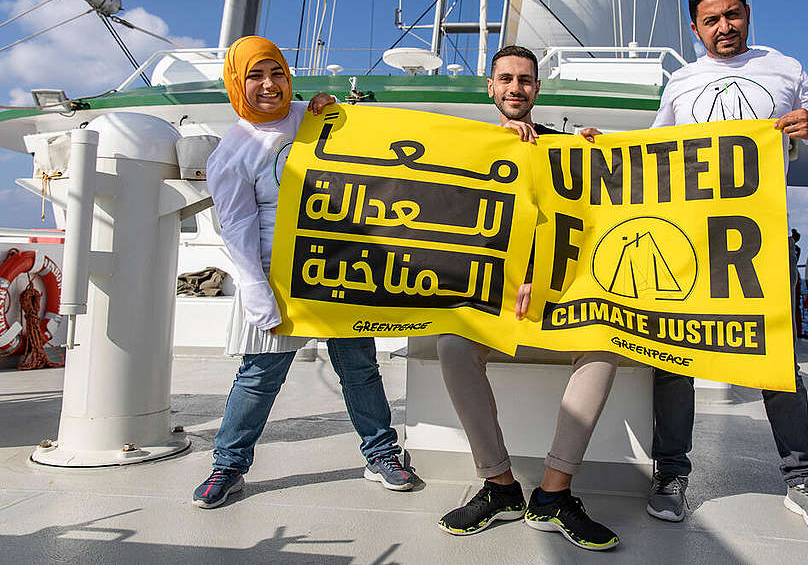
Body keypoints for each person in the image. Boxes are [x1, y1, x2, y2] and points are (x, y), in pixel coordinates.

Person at [646, 0, 808, 537]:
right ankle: (670, 473)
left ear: (747, 14)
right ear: (695, 28)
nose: (723, 28)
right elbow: (653, 155)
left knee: (777, 361)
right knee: (673, 359)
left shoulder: (786, 69)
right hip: (689, 237)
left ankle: (802, 481)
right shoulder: (680, 82)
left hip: (760, 238)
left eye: (732, 15)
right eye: (711, 21)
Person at [192, 36, 419, 508]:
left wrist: (334, 111)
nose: (269, 85)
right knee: (259, 375)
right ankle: (228, 466)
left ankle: (381, 453)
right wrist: (256, 290)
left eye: (276, 72)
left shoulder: (311, 115)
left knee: (359, 367)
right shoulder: (231, 153)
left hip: (338, 267)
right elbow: (237, 228)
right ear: (237, 82)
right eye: (255, 76)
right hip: (276, 277)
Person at [435, 45, 620, 552]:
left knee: (605, 349)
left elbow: (597, 218)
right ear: (490, 88)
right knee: (453, 346)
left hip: (557, 307)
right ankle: (500, 487)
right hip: (492, 308)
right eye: (506, 79)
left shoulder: (566, 148)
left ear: (537, 89)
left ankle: (554, 494)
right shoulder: (467, 146)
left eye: (525, 80)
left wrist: (592, 150)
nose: (516, 88)